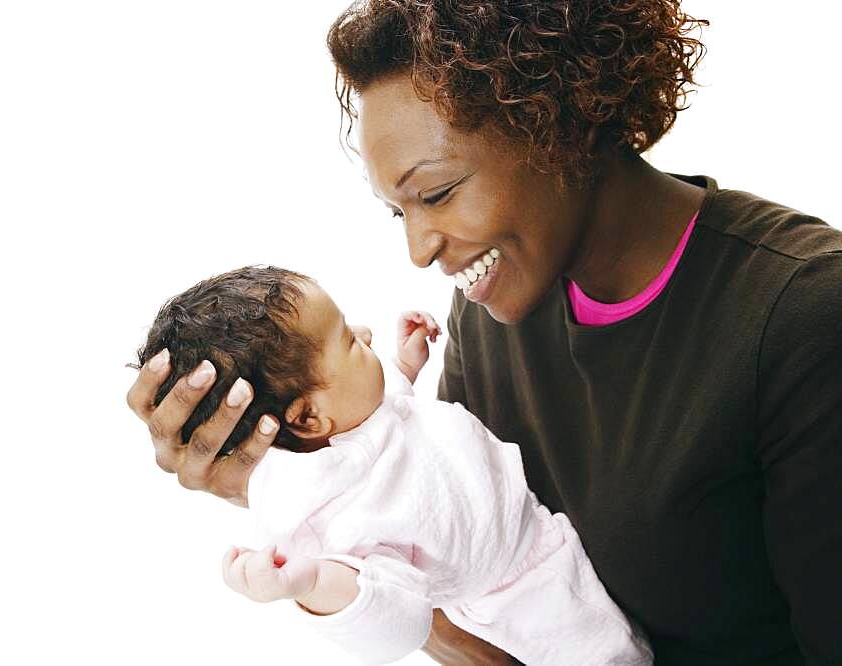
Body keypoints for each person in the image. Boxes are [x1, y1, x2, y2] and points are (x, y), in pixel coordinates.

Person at [126, 1, 842, 663]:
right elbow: (471, 581)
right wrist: (297, 491)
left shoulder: (804, 319)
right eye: (397, 211)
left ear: (558, 120)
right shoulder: (490, 307)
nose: (418, 250)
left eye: (434, 193)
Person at [132, 265, 652, 664]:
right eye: (347, 342)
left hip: (533, 519)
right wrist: (313, 585)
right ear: (309, 417)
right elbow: (397, 619)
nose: (365, 334)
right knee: (606, 651)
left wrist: (406, 363)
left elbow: (391, 420)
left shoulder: (353, 416)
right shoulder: (325, 514)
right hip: (514, 584)